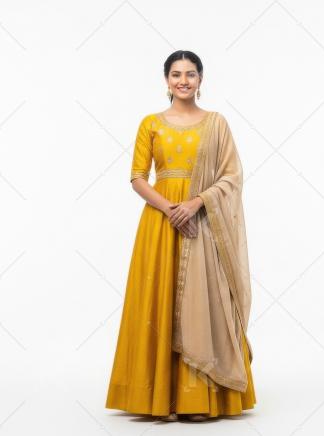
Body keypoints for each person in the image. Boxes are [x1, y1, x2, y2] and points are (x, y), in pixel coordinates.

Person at [106, 50, 256, 422]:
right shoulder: (150, 124)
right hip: (160, 222)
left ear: (201, 80)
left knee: (203, 302)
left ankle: (197, 398)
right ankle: (153, 396)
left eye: (191, 74)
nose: (183, 80)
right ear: (166, 80)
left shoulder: (216, 124)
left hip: (203, 221)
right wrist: (171, 209)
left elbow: (232, 176)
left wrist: (196, 203)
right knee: (157, 300)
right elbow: (137, 176)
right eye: (176, 74)